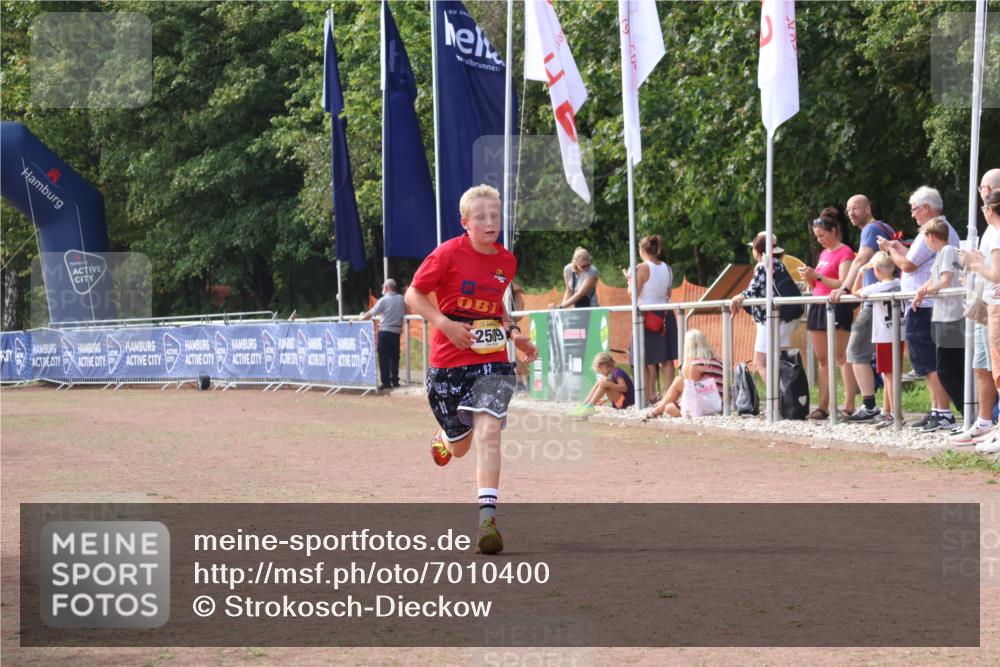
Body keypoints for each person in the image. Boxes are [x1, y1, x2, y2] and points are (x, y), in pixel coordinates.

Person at [404, 184, 538, 554]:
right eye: (481, 217)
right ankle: (446, 438)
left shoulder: (505, 261)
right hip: (448, 363)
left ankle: (487, 521)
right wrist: (444, 324)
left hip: (493, 358)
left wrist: (515, 334)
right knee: (460, 447)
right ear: (465, 222)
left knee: (490, 430)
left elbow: (496, 305)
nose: (490, 222)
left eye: (495, 215)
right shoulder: (446, 255)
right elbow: (412, 295)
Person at [878, 186, 960, 432]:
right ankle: (937, 409)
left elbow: (908, 264)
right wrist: (897, 248)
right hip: (929, 305)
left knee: (927, 361)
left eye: (914, 209)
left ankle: (943, 411)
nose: (912, 215)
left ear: (926, 208)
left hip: (924, 306)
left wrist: (891, 249)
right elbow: (915, 258)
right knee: (928, 361)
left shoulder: (931, 230)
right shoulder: (941, 229)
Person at [829, 195, 897, 423]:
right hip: (885, 301)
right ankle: (887, 410)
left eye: (855, 208)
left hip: (876, 301)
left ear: (868, 208)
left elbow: (861, 261)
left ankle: (870, 406)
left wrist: (845, 288)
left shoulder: (870, 230)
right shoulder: (884, 227)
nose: (851, 213)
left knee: (856, 351)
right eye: (848, 210)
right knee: (886, 358)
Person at [951, 168, 1000, 446]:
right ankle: (984, 422)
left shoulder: (996, 228)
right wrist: (974, 265)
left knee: (996, 364)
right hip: (986, 301)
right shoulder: (991, 230)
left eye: (983, 187)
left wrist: (974, 263)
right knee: (983, 363)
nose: (980, 193)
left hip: (994, 301)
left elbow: (997, 272)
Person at [798, 208, 857, 420]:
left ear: (833, 231)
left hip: (836, 305)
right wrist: (810, 277)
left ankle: (849, 404)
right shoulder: (824, 253)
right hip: (818, 304)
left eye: (822, 236)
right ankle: (823, 405)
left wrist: (818, 276)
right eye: (817, 237)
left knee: (841, 356)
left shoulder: (845, 252)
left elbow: (842, 283)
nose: (820, 240)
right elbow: (818, 282)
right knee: (823, 360)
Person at [912, 218, 965, 419]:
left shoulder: (947, 252)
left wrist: (926, 292)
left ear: (931, 237)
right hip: (945, 317)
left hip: (950, 318)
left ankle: (965, 410)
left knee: (946, 370)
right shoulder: (943, 253)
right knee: (951, 368)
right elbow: (933, 280)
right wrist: (922, 292)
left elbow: (944, 280)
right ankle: (967, 411)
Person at [729, 232, 797, 384]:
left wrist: (737, 297)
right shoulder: (779, 264)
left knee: (760, 362)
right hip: (785, 318)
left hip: (770, 320)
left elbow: (751, 291)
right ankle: (788, 400)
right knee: (782, 361)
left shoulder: (763, 265)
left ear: (757, 249)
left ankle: (777, 401)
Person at [624, 234, 677, 403]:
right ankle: (670, 397)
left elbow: (633, 294)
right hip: (665, 315)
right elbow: (668, 293)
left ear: (641, 250)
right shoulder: (667, 268)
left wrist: (629, 280)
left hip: (646, 317)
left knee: (643, 359)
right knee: (667, 359)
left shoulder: (641, 268)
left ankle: (646, 397)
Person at [855, 252, 904, 429]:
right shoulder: (901, 283)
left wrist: (861, 272)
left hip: (884, 335)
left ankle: (895, 414)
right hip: (899, 333)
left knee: (889, 375)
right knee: (891, 373)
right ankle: (887, 410)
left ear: (875, 270)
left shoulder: (876, 287)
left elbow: (856, 291)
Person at [642, 329, 724, 419]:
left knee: (670, 403)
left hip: (707, 404)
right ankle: (660, 408)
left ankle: (657, 411)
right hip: (718, 402)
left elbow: (691, 393)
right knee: (669, 405)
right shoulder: (718, 361)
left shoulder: (696, 365)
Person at [359, 279, 405, 390]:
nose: (382, 289)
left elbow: (372, 312)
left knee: (383, 357)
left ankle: (386, 382)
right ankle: (395, 380)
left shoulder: (384, 300)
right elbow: (404, 313)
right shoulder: (401, 299)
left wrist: (361, 319)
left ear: (388, 288)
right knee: (394, 357)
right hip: (396, 332)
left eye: (383, 287)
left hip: (385, 332)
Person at [568, 352, 635, 418]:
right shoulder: (614, 373)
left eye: (600, 370)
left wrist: (609, 384)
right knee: (600, 382)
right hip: (621, 401)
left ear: (605, 365)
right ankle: (585, 404)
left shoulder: (618, 373)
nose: (601, 373)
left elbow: (624, 388)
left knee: (604, 382)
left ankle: (590, 406)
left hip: (626, 402)